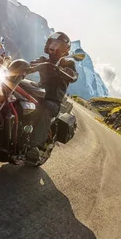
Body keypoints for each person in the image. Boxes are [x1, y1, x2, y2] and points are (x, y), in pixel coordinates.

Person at [26, 32, 78, 163]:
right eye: (52, 42)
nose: (52, 45)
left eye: (57, 44)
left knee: (45, 108)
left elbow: (73, 75)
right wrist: (25, 67)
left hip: (52, 101)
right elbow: (31, 65)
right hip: (39, 94)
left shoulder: (67, 63)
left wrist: (65, 72)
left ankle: (34, 147)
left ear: (63, 48)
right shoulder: (44, 60)